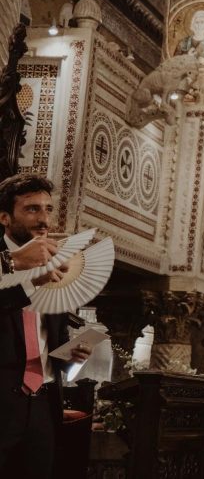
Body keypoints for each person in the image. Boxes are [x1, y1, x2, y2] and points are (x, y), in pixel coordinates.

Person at [0, 173, 92, 478]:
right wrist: (25, 283)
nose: (43, 219)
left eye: (47, 209)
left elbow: (48, 343)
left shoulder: (56, 266)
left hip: (43, 407)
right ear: (4, 217)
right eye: (31, 209)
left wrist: (69, 357)